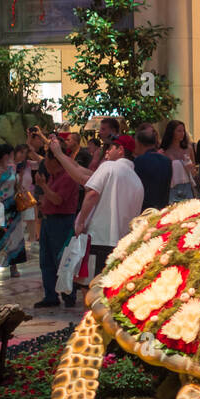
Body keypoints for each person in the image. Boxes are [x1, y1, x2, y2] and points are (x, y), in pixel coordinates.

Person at [75, 135, 144, 280]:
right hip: (123, 243)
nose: (106, 152)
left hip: (99, 238)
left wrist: (80, 222)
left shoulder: (108, 167)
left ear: (120, 150)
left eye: (110, 148)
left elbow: (92, 193)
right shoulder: (137, 180)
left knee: (91, 287)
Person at [33, 149, 79, 309]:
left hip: (62, 221)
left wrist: (43, 186)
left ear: (55, 161)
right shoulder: (53, 177)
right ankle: (50, 295)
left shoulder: (68, 177)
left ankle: (68, 294)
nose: (45, 163)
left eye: (47, 159)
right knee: (46, 259)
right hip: (49, 220)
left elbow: (58, 200)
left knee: (63, 258)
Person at [0, 143, 25, 277]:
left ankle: (13, 267)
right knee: (0, 237)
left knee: (15, 236)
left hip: (13, 206)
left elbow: (15, 186)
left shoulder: (12, 169)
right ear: (7, 155)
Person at [131, 125, 172, 210]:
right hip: (162, 206)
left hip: (145, 208)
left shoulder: (139, 161)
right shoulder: (167, 160)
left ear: (139, 143)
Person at [162, 120, 195, 202]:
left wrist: (192, 169)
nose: (182, 133)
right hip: (172, 187)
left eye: (183, 131)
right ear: (172, 132)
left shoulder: (188, 149)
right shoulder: (165, 151)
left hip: (187, 185)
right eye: (179, 131)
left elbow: (194, 170)